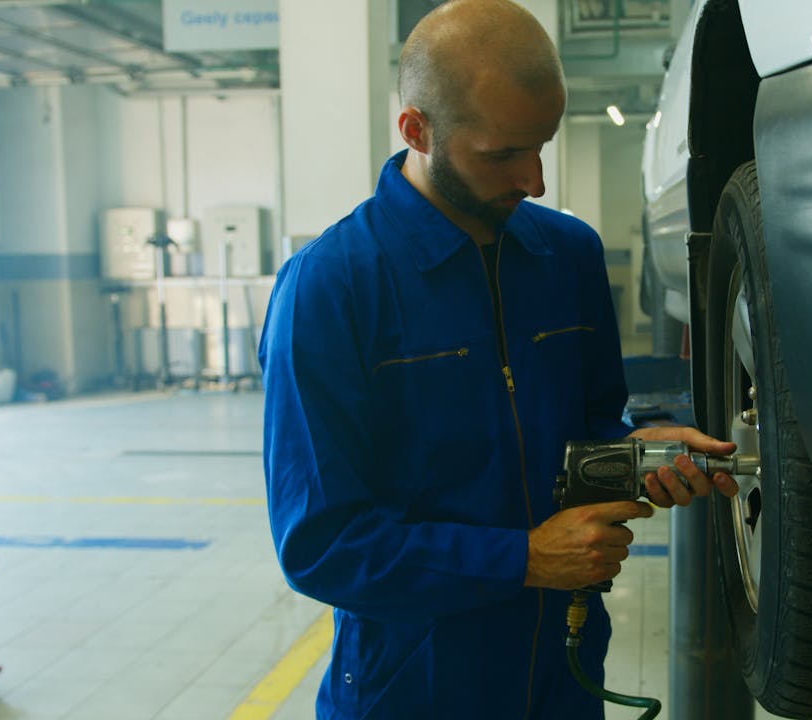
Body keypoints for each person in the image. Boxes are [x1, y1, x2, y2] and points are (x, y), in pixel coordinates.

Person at [259, 1, 740, 717]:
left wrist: (637, 455)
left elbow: (587, 434)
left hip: (562, 672)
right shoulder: (332, 287)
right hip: (415, 685)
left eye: (541, 145)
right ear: (417, 130)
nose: (535, 180)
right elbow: (320, 545)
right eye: (503, 154)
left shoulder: (567, 256)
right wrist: (523, 560)